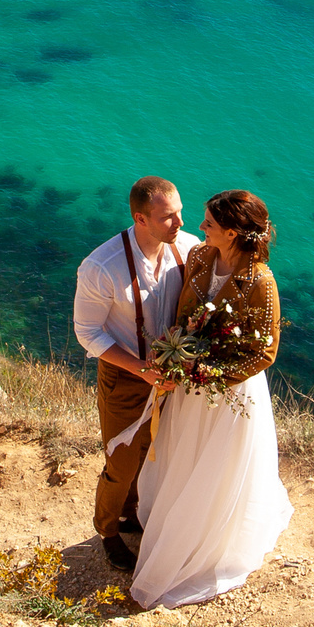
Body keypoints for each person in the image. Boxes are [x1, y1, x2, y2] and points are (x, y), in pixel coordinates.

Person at [130, 189, 293, 609]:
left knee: (214, 467)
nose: (200, 229)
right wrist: (180, 356)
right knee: (182, 456)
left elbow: (264, 352)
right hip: (192, 384)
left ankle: (205, 541)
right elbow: (185, 316)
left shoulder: (261, 282)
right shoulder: (201, 258)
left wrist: (211, 375)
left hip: (228, 392)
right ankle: (172, 524)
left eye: (209, 223)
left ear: (234, 233)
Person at [70, 176, 201, 572]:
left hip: (172, 375)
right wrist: (140, 369)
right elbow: (87, 331)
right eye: (168, 218)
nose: (179, 223)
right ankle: (108, 532)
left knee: (155, 453)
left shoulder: (189, 247)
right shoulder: (101, 267)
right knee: (122, 461)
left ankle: (133, 514)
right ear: (140, 219)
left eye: (179, 212)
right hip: (125, 377)